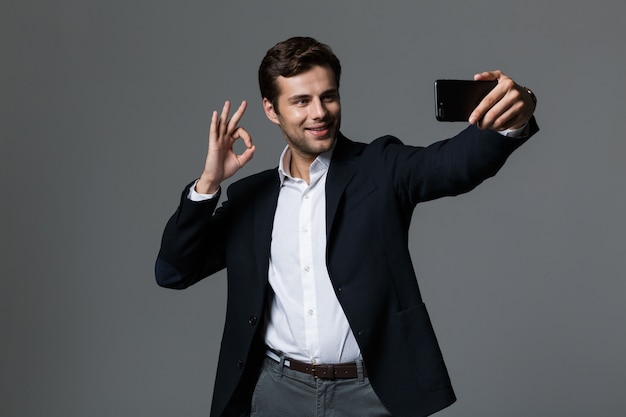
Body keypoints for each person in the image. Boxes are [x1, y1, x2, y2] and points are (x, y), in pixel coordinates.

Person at [155, 36, 538, 417]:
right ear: (271, 110)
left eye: (329, 96)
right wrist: (207, 185)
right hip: (276, 392)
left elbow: (453, 165)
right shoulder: (251, 200)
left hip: (371, 392)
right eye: (301, 101)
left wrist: (515, 116)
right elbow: (174, 270)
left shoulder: (379, 168)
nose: (319, 113)